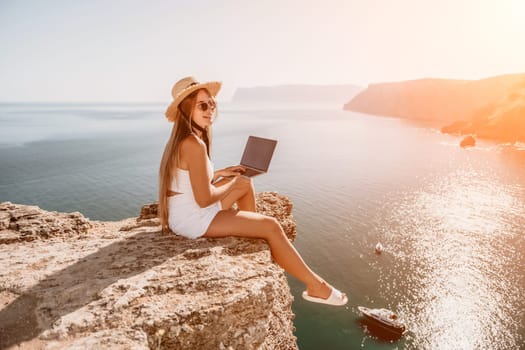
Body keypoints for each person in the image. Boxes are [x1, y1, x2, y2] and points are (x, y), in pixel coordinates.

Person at [158, 76, 347, 306]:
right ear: (186, 109)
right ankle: (316, 286)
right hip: (192, 219)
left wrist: (220, 174)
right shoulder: (194, 145)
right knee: (271, 225)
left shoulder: (188, 140)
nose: (210, 110)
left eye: (212, 104)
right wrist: (231, 185)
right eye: (203, 105)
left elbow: (188, 181)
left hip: (186, 212)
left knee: (245, 182)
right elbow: (204, 198)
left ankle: (252, 227)